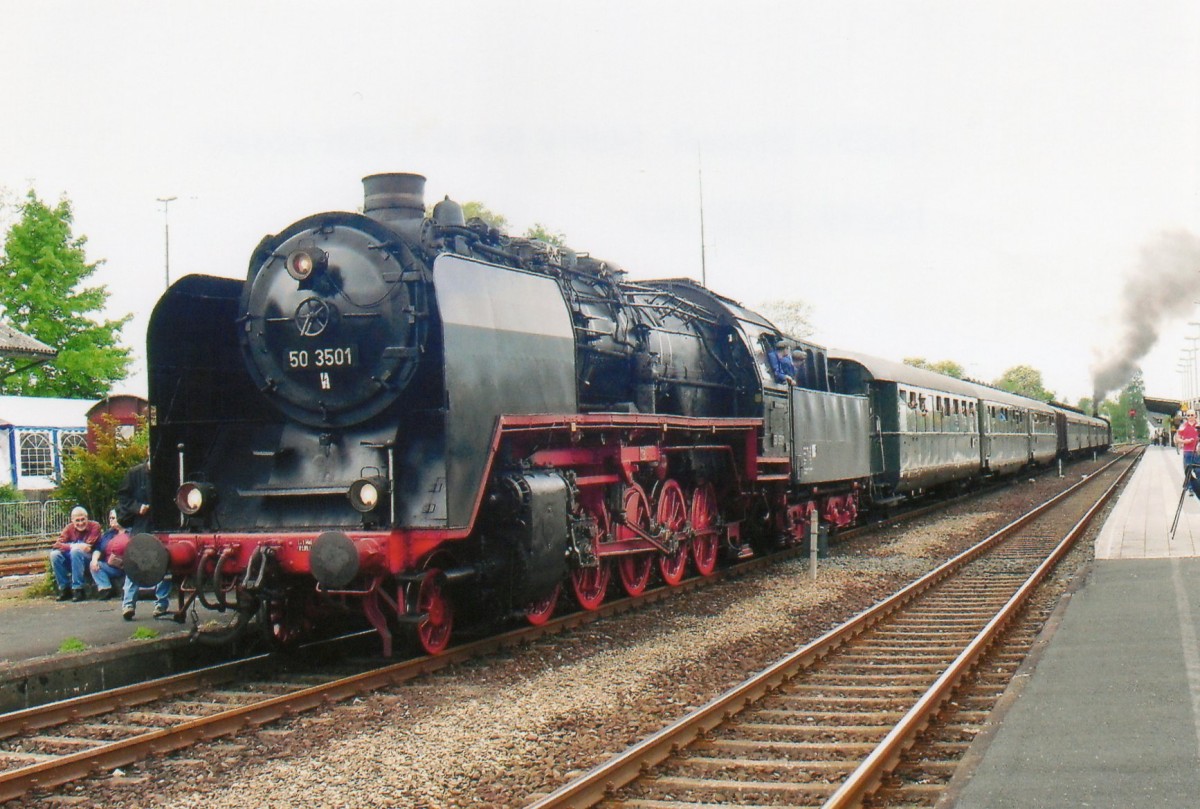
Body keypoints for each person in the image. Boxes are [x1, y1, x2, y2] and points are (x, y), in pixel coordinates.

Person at [115, 458, 172, 620]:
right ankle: (128, 603)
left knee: (165, 563)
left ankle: (161, 603)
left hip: (163, 525)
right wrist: (137, 507)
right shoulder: (134, 473)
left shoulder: (167, 472)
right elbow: (123, 497)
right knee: (135, 562)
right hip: (142, 524)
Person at [50, 506, 102, 602]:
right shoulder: (69, 528)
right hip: (72, 559)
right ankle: (64, 588)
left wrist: (73, 547)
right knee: (55, 555)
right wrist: (73, 546)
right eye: (77, 520)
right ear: (72, 520)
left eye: (83, 519)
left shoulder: (95, 526)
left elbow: (88, 547)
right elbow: (57, 545)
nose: (80, 523)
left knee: (76, 552)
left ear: (87, 518)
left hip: (89, 559)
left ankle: (78, 589)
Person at [89, 510, 127, 600]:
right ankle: (105, 589)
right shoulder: (108, 534)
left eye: (113, 518)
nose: (111, 520)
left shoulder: (131, 532)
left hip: (127, 567)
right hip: (111, 566)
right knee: (94, 565)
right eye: (110, 518)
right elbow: (98, 548)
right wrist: (94, 560)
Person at [1176, 411, 1200, 495]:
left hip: (1197, 452)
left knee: (1198, 470)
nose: (1190, 417)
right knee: (1188, 470)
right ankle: (1190, 488)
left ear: (1195, 416)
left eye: (1192, 415)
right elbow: (1177, 438)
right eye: (1188, 415)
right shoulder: (1183, 426)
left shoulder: (1198, 425)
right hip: (1187, 451)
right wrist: (1184, 441)